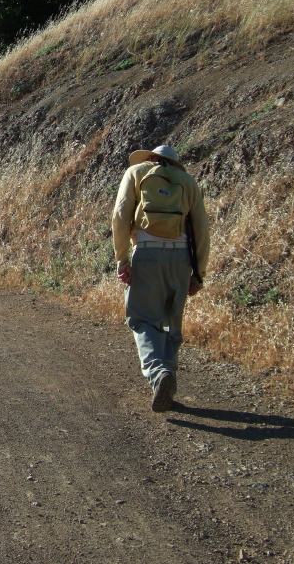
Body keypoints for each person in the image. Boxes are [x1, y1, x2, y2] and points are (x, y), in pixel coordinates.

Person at [111, 145, 210, 412]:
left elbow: (120, 215)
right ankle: (169, 380)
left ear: (152, 158)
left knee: (143, 319)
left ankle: (158, 374)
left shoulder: (136, 172)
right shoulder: (187, 181)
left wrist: (122, 260)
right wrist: (198, 274)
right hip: (180, 260)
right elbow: (201, 229)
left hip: (147, 254)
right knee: (171, 324)